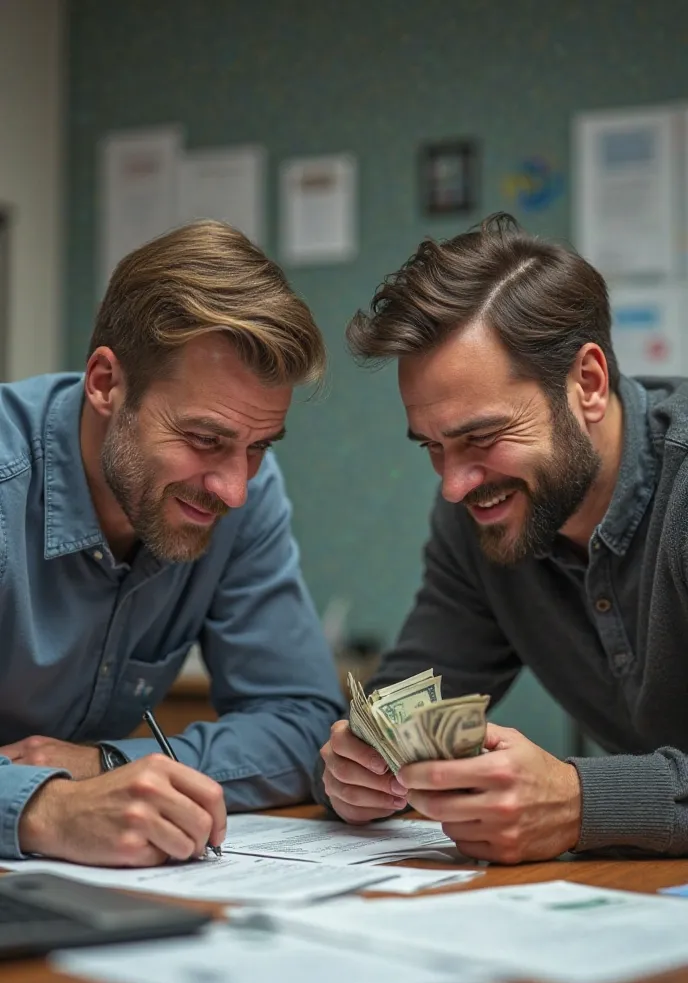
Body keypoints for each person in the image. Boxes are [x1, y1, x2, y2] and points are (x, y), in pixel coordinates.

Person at [318, 213, 688, 864]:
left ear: (589, 384)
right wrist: (359, 767)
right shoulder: (479, 519)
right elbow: (409, 705)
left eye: (481, 438)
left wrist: (581, 799)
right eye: (433, 446)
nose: (456, 485)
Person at [0, 220, 344, 865]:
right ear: (106, 383)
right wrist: (42, 808)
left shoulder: (241, 493)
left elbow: (301, 724)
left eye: (259, 447)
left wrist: (108, 764)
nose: (235, 489)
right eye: (205, 440)